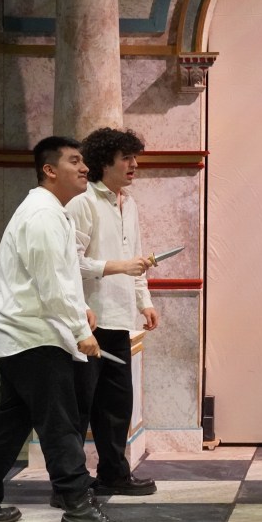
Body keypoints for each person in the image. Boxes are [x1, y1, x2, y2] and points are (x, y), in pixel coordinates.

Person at [0, 136, 134, 522]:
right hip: (36, 338)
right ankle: (79, 509)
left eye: (84, 161)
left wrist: (81, 309)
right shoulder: (42, 215)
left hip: (26, 336)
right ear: (50, 170)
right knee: (61, 425)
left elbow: (57, 276)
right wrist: (81, 330)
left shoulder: (52, 212)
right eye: (75, 161)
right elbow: (51, 283)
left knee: (10, 423)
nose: (84, 168)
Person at [64, 127, 158, 497]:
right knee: (79, 407)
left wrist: (145, 302)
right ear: (105, 162)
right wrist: (118, 267)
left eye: (135, 157)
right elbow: (69, 261)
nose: (134, 165)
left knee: (117, 405)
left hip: (119, 319)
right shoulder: (83, 202)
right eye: (126, 158)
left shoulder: (128, 203)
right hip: (86, 320)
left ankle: (114, 474)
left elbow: (137, 258)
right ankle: (69, 484)